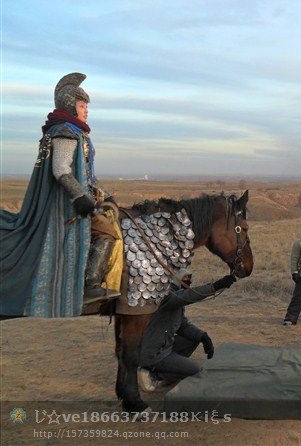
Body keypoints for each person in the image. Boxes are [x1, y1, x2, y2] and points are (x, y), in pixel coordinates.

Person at [0, 73, 121, 317]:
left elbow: (86, 175)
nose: (86, 109)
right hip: (67, 207)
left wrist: (103, 195)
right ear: (70, 105)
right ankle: (91, 286)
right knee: (108, 233)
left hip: (78, 201)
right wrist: (81, 197)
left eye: (86, 105)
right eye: (82, 105)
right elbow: (61, 170)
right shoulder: (65, 131)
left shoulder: (75, 131)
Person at [138, 270, 237, 392]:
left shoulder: (175, 295)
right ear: (176, 278)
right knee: (196, 371)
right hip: (154, 352)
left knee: (192, 339)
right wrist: (215, 286)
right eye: (185, 277)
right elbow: (188, 296)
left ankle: (162, 371)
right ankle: (153, 375)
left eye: (190, 277)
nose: (189, 280)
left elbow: (182, 325)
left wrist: (203, 337)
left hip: (163, 347)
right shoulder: (165, 295)